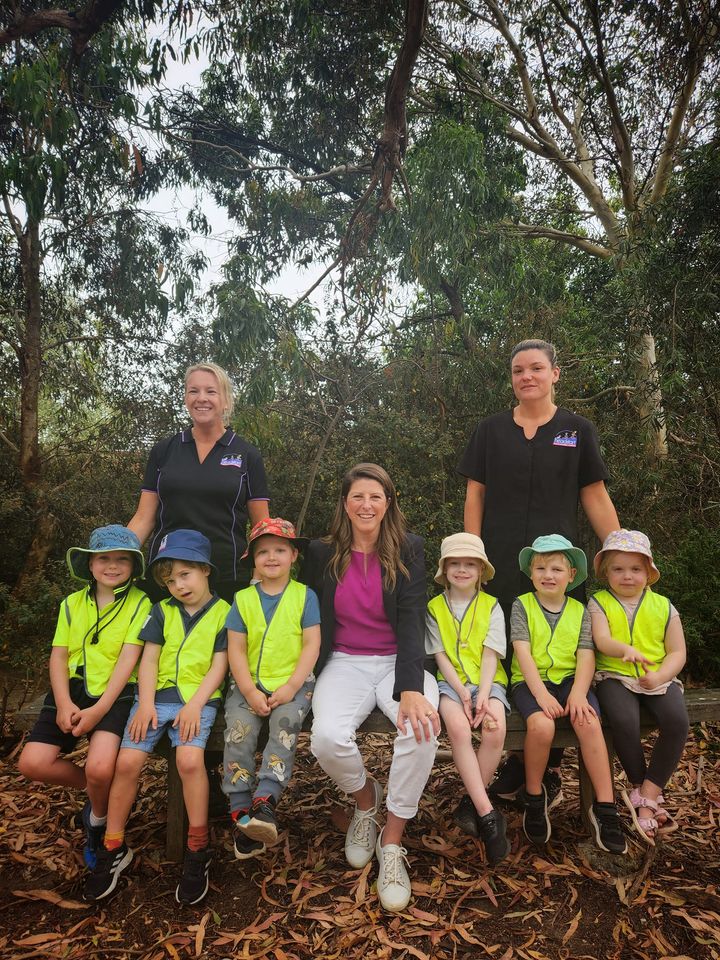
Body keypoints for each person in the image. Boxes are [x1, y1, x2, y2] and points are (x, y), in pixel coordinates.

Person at [459, 338, 620, 804]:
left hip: (556, 570)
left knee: (562, 657)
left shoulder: (577, 430)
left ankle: (545, 771)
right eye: (518, 370)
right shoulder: (490, 431)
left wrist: (618, 552)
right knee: (511, 655)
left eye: (535, 368)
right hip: (503, 563)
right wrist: (473, 554)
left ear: (554, 374)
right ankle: (519, 759)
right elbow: (475, 495)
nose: (526, 376)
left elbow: (594, 495)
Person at [302, 463, 440, 913]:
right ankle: (366, 801)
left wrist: (411, 686)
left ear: (388, 503)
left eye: (375, 497)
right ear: (345, 503)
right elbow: (306, 613)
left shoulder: (409, 549)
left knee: (422, 729)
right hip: (345, 661)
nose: (366, 505)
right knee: (326, 737)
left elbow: (412, 618)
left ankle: (392, 840)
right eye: (358, 497)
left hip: (399, 661)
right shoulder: (322, 553)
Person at [83, 530, 229, 905]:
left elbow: (219, 665)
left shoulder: (224, 613)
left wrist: (195, 705)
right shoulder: (162, 610)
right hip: (155, 698)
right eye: (171, 580)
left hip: (198, 700)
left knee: (189, 760)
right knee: (127, 761)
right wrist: (145, 702)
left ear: (205, 570)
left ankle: (198, 848)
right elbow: (148, 659)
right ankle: (113, 845)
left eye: (185, 575)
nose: (179, 585)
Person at [18, 525, 149, 869]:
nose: (112, 566)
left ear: (133, 566)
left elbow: (129, 659)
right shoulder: (71, 604)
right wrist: (63, 702)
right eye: (103, 558)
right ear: (90, 564)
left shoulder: (141, 603)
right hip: (71, 689)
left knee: (100, 768)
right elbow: (59, 655)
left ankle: (98, 821)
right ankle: (101, 795)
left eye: (122, 559)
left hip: (115, 694)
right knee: (32, 763)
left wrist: (99, 709)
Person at [510, 535, 626, 853]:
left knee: (589, 722)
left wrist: (578, 694)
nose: (548, 575)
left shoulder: (580, 610)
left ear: (571, 575)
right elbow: (522, 653)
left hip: (571, 681)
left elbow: (586, 655)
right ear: (531, 573)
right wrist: (541, 696)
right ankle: (535, 797)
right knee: (541, 726)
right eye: (541, 568)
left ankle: (605, 809)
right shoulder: (522, 605)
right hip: (531, 682)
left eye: (557, 569)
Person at [127, 362, 270, 603]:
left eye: (211, 391)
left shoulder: (247, 454)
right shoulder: (164, 451)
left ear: (226, 400)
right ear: (186, 398)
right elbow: (144, 518)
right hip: (167, 576)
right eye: (193, 391)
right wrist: (118, 557)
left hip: (227, 578)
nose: (201, 398)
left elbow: (261, 525)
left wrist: (259, 577)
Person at [223, 517, 321, 860]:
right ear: (253, 559)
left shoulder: (305, 596)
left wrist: (292, 685)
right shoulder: (243, 599)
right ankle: (240, 810)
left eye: (280, 550)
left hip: (293, 683)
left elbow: (311, 645)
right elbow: (236, 649)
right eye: (263, 552)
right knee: (239, 733)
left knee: (284, 727)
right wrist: (249, 691)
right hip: (248, 684)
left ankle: (265, 801)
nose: (271, 557)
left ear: (294, 555)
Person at [590, 529, 688, 844]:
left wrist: (661, 676)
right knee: (624, 719)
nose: (627, 576)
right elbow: (601, 640)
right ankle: (639, 790)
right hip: (614, 675)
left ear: (648, 571)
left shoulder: (663, 606)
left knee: (677, 722)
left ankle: (648, 792)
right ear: (606, 572)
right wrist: (624, 650)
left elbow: (677, 652)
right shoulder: (599, 602)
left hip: (657, 676)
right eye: (618, 569)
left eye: (635, 569)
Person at [425, 533, 510, 866]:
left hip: (489, 682)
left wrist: (483, 695)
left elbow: (491, 654)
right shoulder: (434, 607)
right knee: (459, 730)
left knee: (495, 728)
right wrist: (462, 692)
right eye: (455, 564)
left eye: (470, 564)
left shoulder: (492, 605)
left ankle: (470, 804)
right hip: (451, 684)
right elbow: (439, 655)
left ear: (481, 571)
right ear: (444, 570)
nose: (462, 570)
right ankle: (488, 814)